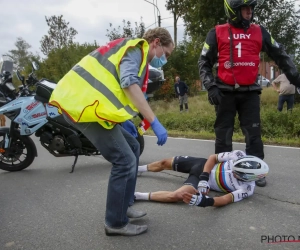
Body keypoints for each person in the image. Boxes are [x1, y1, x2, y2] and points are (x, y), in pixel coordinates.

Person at [49, 27, 175, 236]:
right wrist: (153, 121)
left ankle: (124, 205)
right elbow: (128, 83)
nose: (165, 60)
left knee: (133, 146)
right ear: (156, 42)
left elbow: (115, 90)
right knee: (124, 160)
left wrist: (126, 119)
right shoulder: (137, 49)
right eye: (166, 54)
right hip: (82, 108)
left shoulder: (136, 54)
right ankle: (115, 222)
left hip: (92, 109)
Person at [199, 0, 300, 187]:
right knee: (223, 135)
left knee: (253, 135)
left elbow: (280, 55)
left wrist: (296, 78)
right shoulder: (217, 32)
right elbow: (204, 62)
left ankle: (256, 172)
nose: (249, 11)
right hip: (224, 93)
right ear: (233, 11)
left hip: (250, 93)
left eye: (251, 8)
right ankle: (223, 173)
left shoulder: (259, 31)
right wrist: (210, 85)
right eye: (245, 8)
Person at [135, 150, 269, 207]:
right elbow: (212, 158)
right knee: (164, 163)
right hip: (202, 165)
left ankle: (138, 196)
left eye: (236, 173)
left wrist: (204, 201)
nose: (232, 170)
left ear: (247, 178)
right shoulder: (238, 155)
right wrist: (205, 176)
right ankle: (137, 170)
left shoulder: (247, 188)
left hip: (200, 182)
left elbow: (224, 200)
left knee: (178, 196)